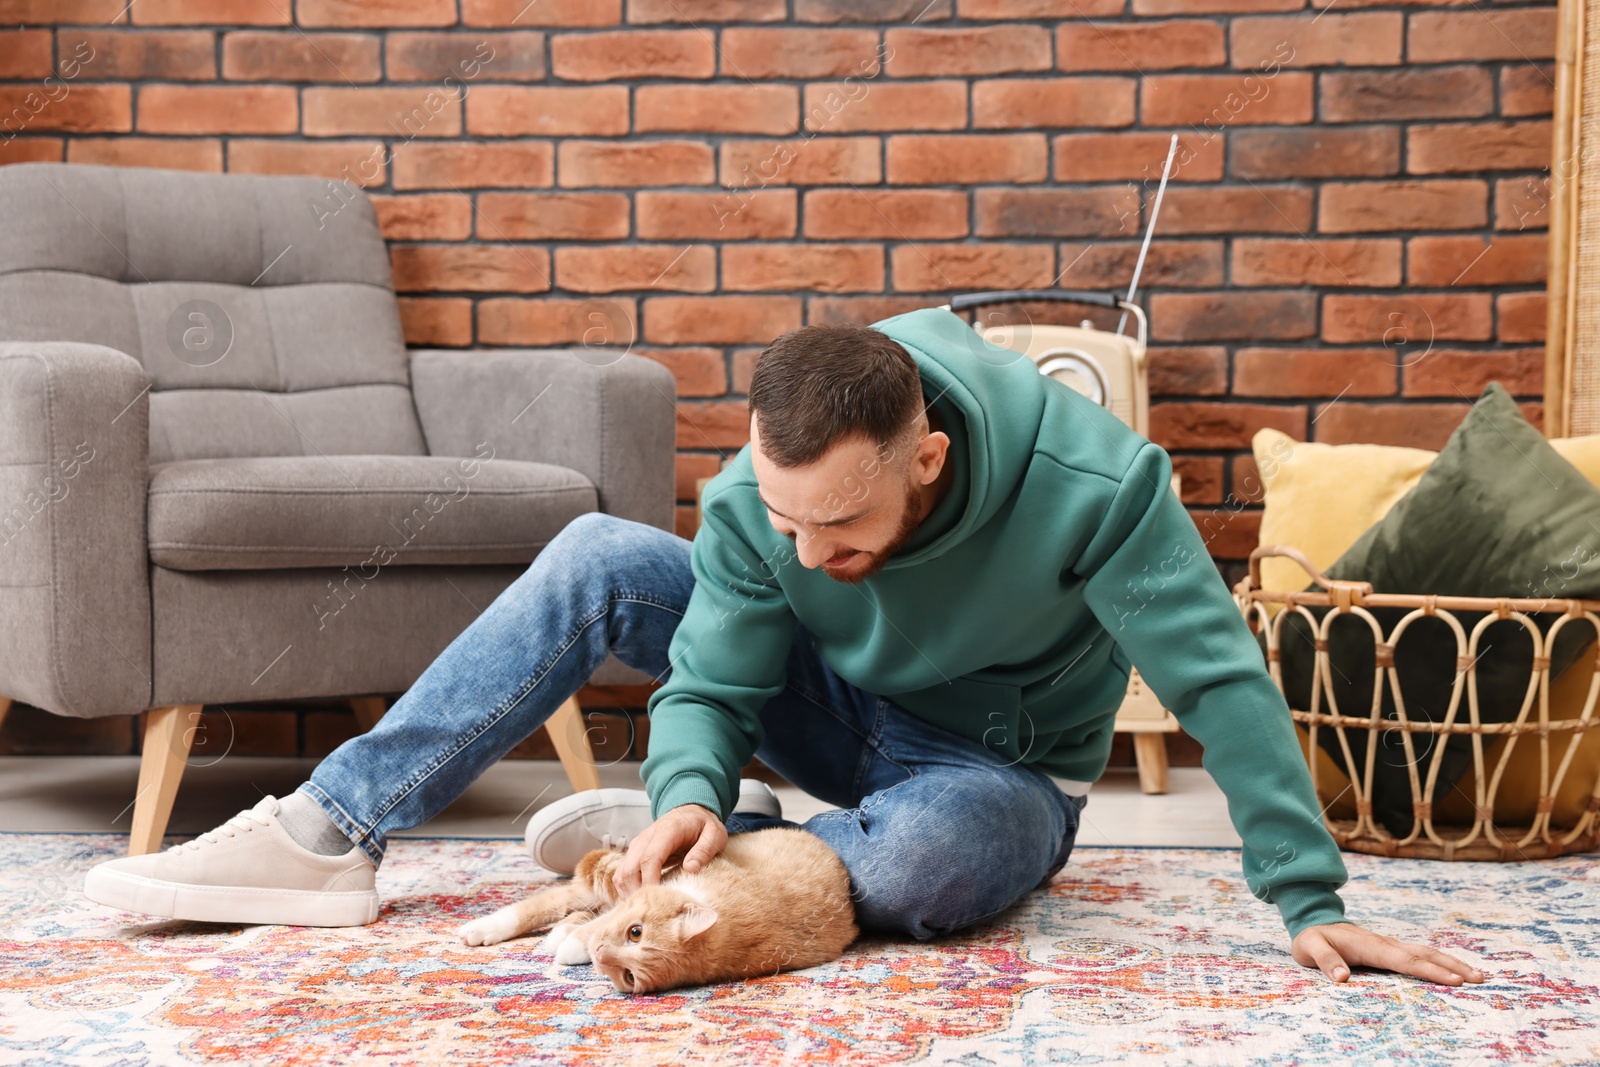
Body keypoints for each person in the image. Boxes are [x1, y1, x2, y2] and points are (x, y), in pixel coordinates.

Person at [84, 308, 1486, 987]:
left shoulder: (1099, 484)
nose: (810, 553)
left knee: (928, 867)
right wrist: (691, 775)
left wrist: (1308, 895)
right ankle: (331, 830)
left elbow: (1217, 677)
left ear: (927, 457)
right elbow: (716, 662)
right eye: (787, 521)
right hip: (828, 714)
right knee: (598, 558)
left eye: (847, 529)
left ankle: (724, 840)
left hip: (986, 772)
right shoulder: (772, 492)